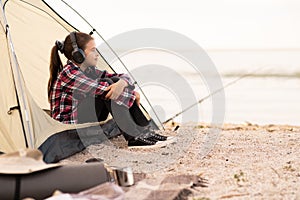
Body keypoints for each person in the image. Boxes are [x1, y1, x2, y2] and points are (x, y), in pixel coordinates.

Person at [48, 31, 170, 148]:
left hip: (84, 117)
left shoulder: (89, 70)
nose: (97, 54)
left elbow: (123, 77)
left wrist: (122, 83)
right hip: (69, 125)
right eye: (93, 50)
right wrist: (132, 94)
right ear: (78, 54)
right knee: (108, 86)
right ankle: (134, 137)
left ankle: (146, 132)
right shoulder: (69, 73)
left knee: (115, 81)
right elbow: (105, 90)